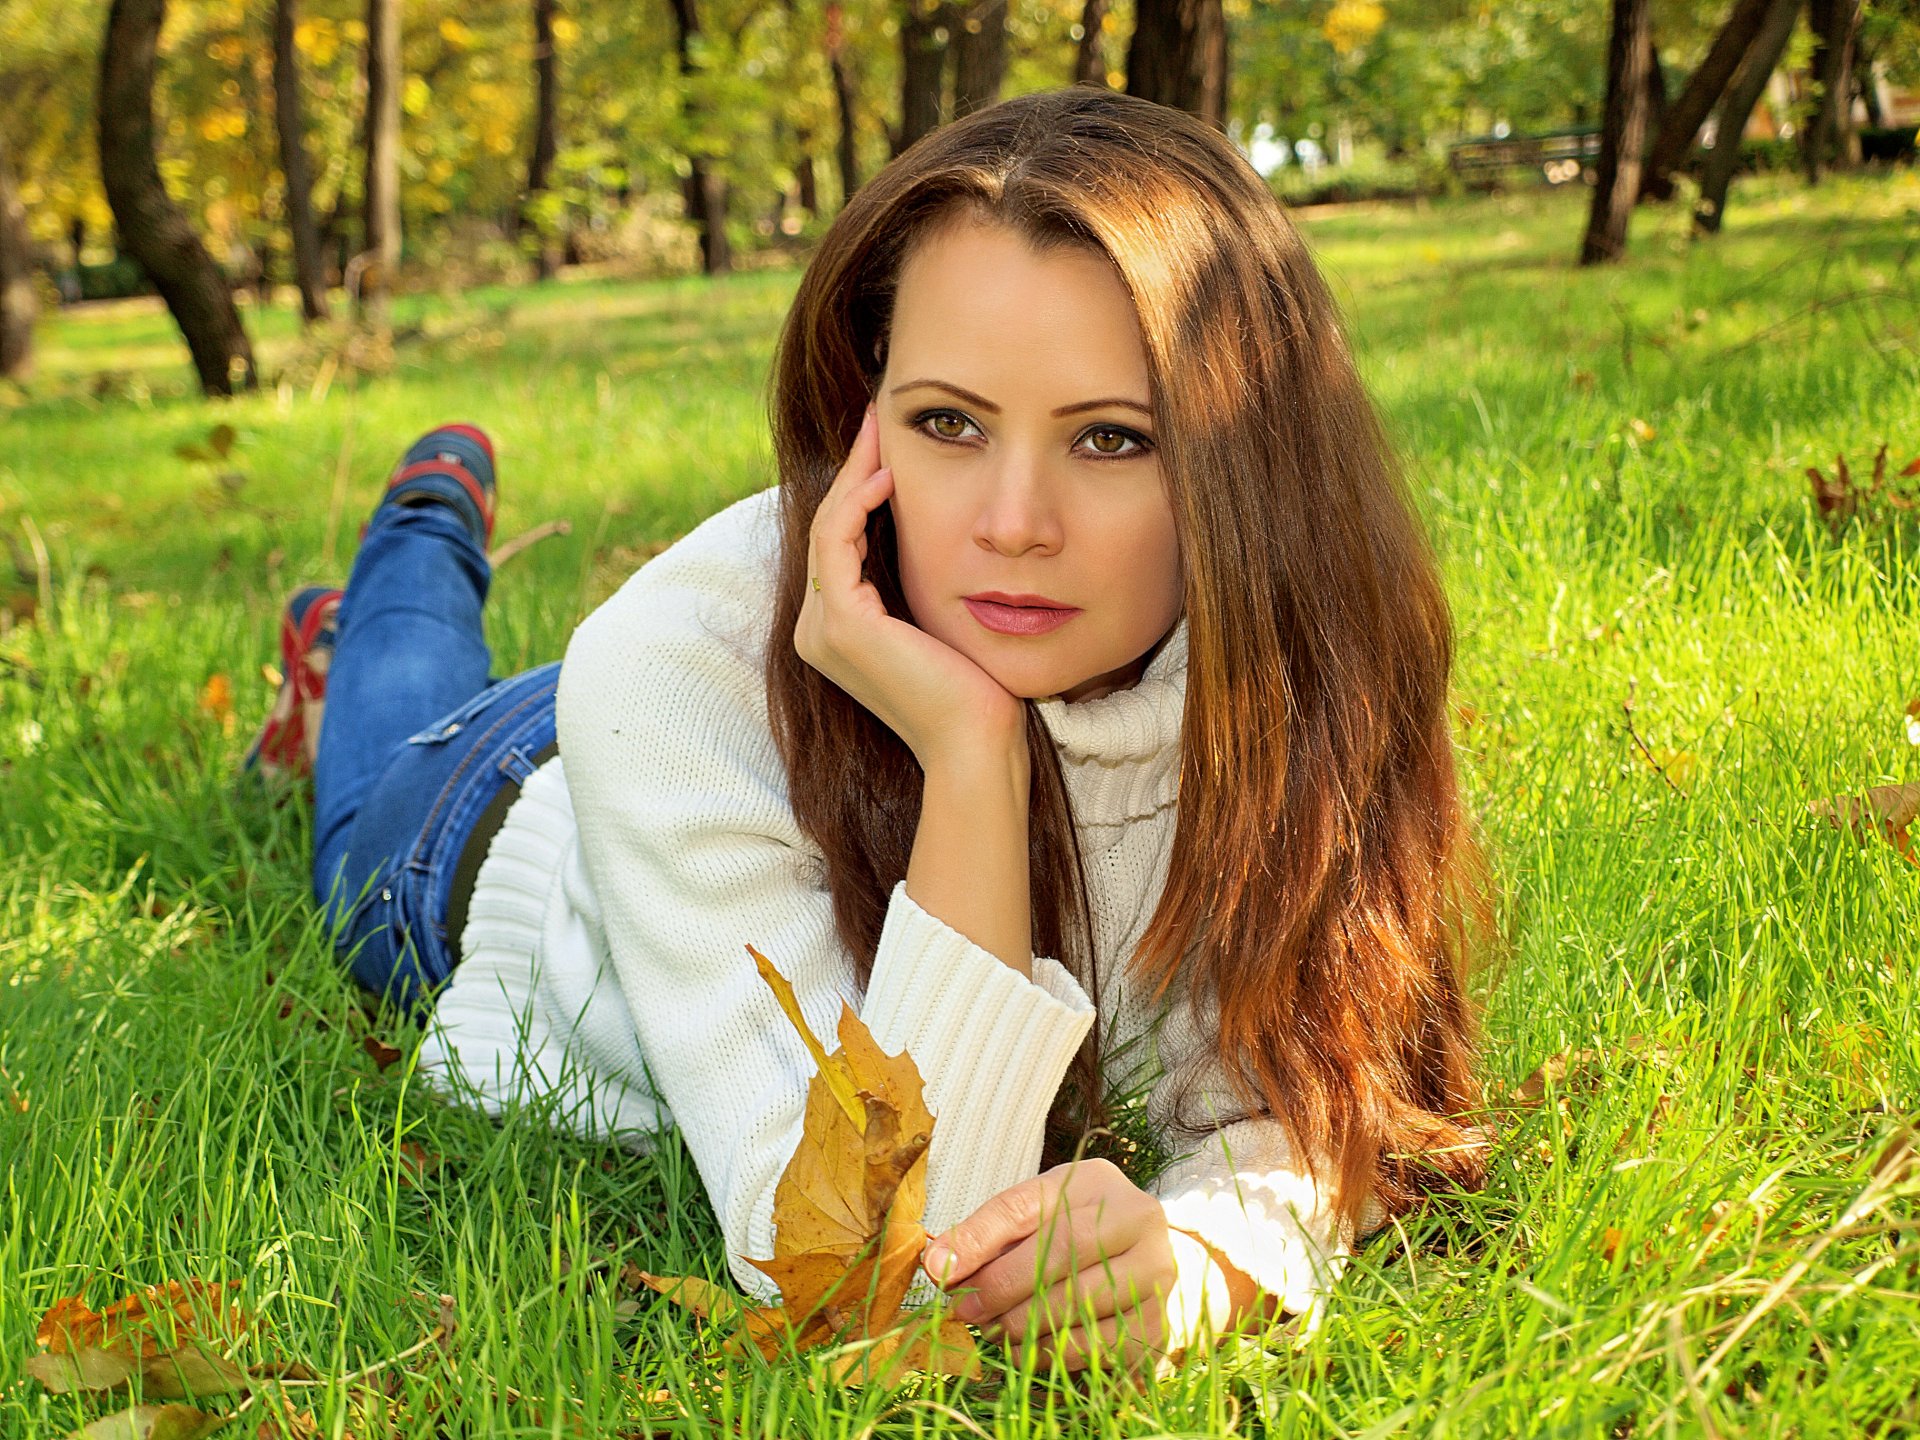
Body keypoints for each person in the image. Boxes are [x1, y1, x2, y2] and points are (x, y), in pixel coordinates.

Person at [247, 86, 1491, 1380]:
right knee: (370, 766)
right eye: (949, 423)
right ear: (865, 408)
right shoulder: (668, 668)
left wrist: (1208, 1260)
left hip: (723, 694)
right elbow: (864, 1271)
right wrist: (973, 754)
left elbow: (1325, 1110)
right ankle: (407, 558)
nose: (1015, 524)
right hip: (495, 822)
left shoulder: (1302, 668)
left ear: (1247, 462)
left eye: (1112, 440)